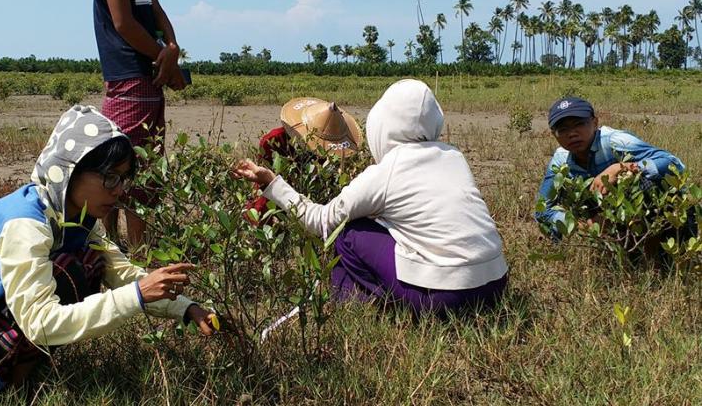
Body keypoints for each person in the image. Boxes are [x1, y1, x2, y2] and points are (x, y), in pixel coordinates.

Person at [0, 106, 215, 394]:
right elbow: (40, 323)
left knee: (87, 262)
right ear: (69, 171)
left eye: (123, 179)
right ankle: (3, 387)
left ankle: (22, 376)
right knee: (70, 270)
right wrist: (135, 296)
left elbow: (121, 273)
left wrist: (187, 309)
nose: (119, 190)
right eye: (110, 177)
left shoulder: (75, 216)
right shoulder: (25, 224)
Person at [233, 80, 509, 315]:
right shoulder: (454, 157)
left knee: (346, 232)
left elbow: (321, 222)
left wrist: (272, 182)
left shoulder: (385, 172)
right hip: (496, 286)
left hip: (445, 298)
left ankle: (355, 303)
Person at [91, 0, 187, 247]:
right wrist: (164, 55)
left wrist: (172, 48)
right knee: (126, 166)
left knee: (141, 164)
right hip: (129, 76)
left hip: (145, 76)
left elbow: (157, 10)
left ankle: (127, 248)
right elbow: (124, 24)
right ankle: (128, 249)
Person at [534, 97, 686, 239]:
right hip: (602, 216)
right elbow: (542, 210)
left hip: (654, 216)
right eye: (563, 129)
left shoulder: (614, 141)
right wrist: (580, 225)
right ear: (554, 134)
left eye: (579, 124)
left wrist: (622, 167)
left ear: (595, 123)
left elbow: (673, 163)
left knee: (645, 183)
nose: (572, 134)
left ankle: (652, 251)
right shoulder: (561, 159)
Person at [244, 97, 362, 220]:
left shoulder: (333, 154)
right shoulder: (274, 140)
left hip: (314, 210)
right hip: (273, 206)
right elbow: (264, 185)